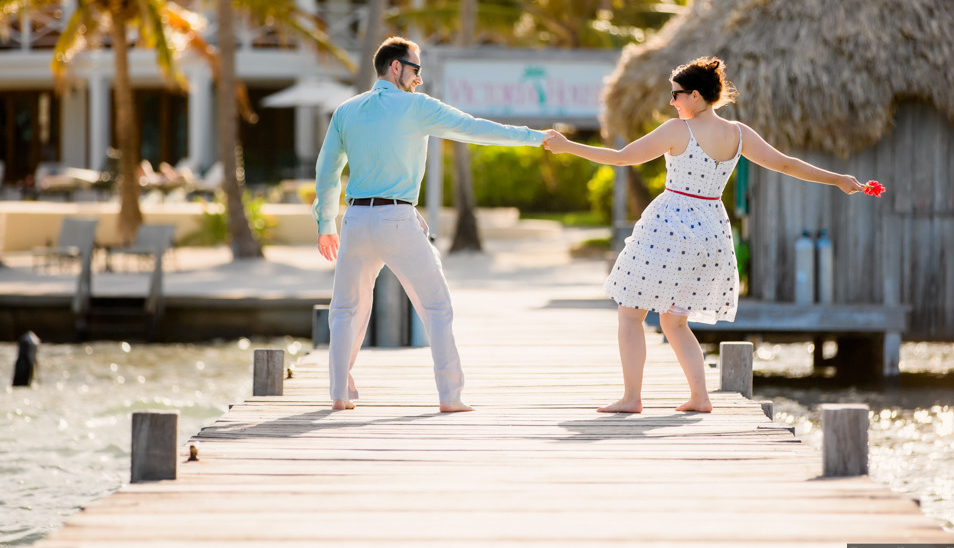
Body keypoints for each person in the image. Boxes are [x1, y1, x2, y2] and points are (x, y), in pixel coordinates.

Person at [542, 57, 867, 414]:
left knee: (630, 313)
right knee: (674, 320)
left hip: (671, 225)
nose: (672, 102)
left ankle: (632, 397)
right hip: (712, 231)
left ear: (695, 96)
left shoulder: (678, 130)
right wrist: (838, 179)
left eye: (676, 95)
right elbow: (787, 164)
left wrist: (568, 146)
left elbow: (622, 158)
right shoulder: (739, 133)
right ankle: (700, 397)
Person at [313, 36, 549, 413]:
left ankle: (339, 394)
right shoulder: (417, 107)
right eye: (416, 70)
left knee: (344, 309)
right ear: (396, 67)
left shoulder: (346, 110)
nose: (419, 79)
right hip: (396, 220)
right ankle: (450, 397)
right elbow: (475, 129)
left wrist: (326, 222)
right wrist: (535, 137)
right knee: (436, 306)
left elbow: (327, 171)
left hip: (356, 219)